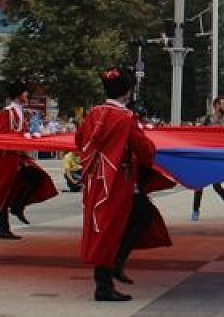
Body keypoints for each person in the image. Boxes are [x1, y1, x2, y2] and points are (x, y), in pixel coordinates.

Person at [76, 68, 171, 302]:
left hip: (96, 179)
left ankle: (112, 270)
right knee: (119, 225)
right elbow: (145, 150)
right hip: (117, 180)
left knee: (107, 226)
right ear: (127, 92)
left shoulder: (94, 113)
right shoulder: (126, 118)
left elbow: (80, 140)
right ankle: (106, 281)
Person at [0, 82, 58, 239]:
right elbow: (0, 135)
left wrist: (30, 135)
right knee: (3, 190)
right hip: (6, 158)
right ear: (19, 95)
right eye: (25, 93)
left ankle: (18, 206)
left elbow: (21, 131)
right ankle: (3, 227)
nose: (27, 95)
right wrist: (21, 138)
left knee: (37, 177)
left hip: (18, 157)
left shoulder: (19, 112)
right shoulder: (7, 113)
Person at [192, 96, 224, 221]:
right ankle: (195, 211)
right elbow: (197, 135)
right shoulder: (207, 120)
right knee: (199, 184)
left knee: (216, 185)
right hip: (205, 156)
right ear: (216, 105)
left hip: (218, 157)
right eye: (223, 104)